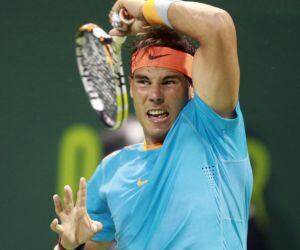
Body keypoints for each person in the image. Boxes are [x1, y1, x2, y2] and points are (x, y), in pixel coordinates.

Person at [50, 0, 253, 249]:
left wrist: (143, 8)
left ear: (192, 87)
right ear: (132, 87)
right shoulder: (112, 171)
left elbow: (217, 24)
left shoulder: (213, 133)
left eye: (169, 82)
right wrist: (67, 246)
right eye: (144, 81)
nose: (155, 95)